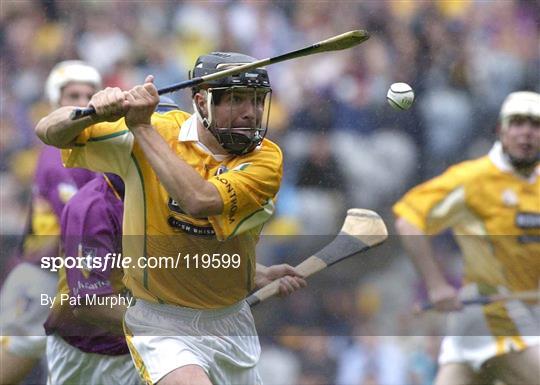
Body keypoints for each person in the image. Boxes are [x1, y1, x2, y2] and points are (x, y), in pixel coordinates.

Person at [35, 52, 306, 385]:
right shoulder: (153, 134)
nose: (250, 112)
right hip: (156, 322)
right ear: (201, 101)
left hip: (230, 322)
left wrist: (249, 275)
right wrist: (92, 110)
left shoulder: (266, 159)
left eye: (256, 100)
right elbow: (48, 130)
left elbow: (198, 201)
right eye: (235, 99)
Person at [393, 91, 540, 385]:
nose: (527, 132)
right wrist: (436, 285)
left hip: (522, 314)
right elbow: (408, 220)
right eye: (518, 123)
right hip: (491, 311)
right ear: (501, 130)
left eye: (535, 125)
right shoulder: (473, 179)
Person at [0, 60, 100, 385]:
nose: (82, 103)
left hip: (59, 274)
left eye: (89, 94)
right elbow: (79, 229)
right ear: (55, 101)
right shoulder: (60, 157)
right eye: (73, 94)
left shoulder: (81, 148)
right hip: (43, 275)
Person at [43, 172, 144, 385]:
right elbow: (91, 303)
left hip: (141, 347)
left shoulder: (164, 194)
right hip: (87, 354)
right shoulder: (93, 206)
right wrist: (167, 328)